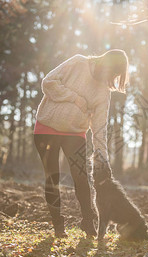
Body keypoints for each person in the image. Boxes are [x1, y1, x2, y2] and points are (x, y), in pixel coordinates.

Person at [34, 49, 129, 238]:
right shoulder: (78, 63)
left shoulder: (104, 92)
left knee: (81, 177)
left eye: (115, 75)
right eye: (112, 72)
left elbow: (100, 129)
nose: (110, 77)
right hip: (47, 128)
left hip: (75, 133)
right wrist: (76, 99)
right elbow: (48, 82)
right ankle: (58, 225)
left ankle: (87, 222)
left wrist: (103, 160)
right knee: (52, 178)